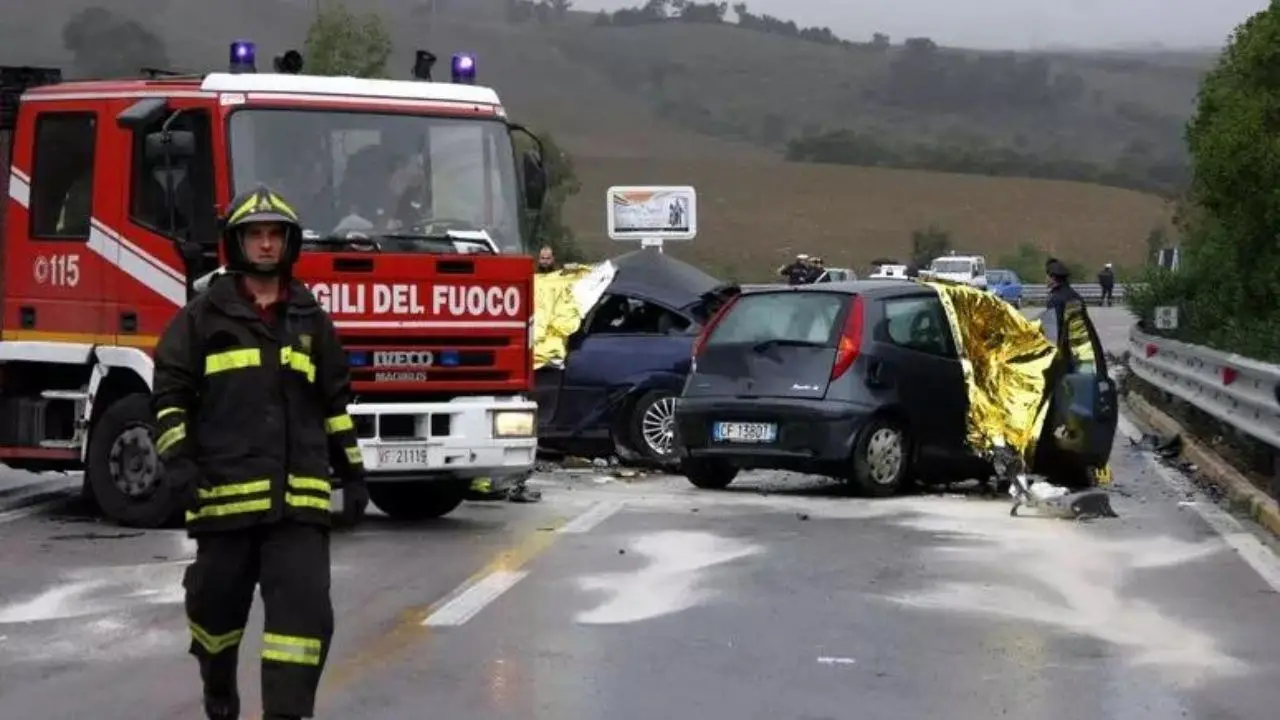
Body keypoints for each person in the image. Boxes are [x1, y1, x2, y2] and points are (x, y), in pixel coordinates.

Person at [151, 185, 369, 720]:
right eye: (256, 235)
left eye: (275, 235)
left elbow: (335, 403)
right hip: (223, 504)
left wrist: (355, 474)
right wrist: (179, 464)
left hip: (298, 509)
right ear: (238, 244)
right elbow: (170, 400)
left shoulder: (312, 320)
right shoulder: (202, 318)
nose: (266, 245)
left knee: (304, 624)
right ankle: (218, 689)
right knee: (214, 618)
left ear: (289, 243)